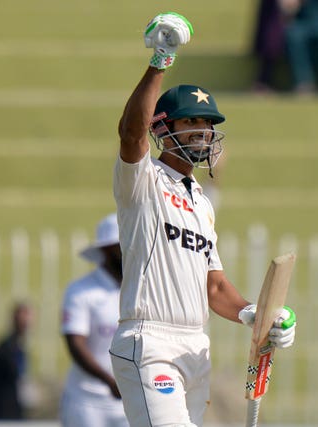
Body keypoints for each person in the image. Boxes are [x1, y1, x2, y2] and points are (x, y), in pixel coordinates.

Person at [108, 12, 297, 426]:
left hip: (196, 347)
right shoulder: (142, 179)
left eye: (207, 124)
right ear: (163, 127)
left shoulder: (202, 202)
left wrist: (255, 314)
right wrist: (162, 59)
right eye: (190, 121)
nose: (202, 132)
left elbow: (214, 285)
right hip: (150, 340)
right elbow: (130, 134)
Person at [59, 213, 128, 427]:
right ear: (107, 249)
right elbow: (75, 344)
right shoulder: (81, 291)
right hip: (87, 401)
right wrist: (109, 381)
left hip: (130, 401)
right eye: (124, 244)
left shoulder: (141, 291)